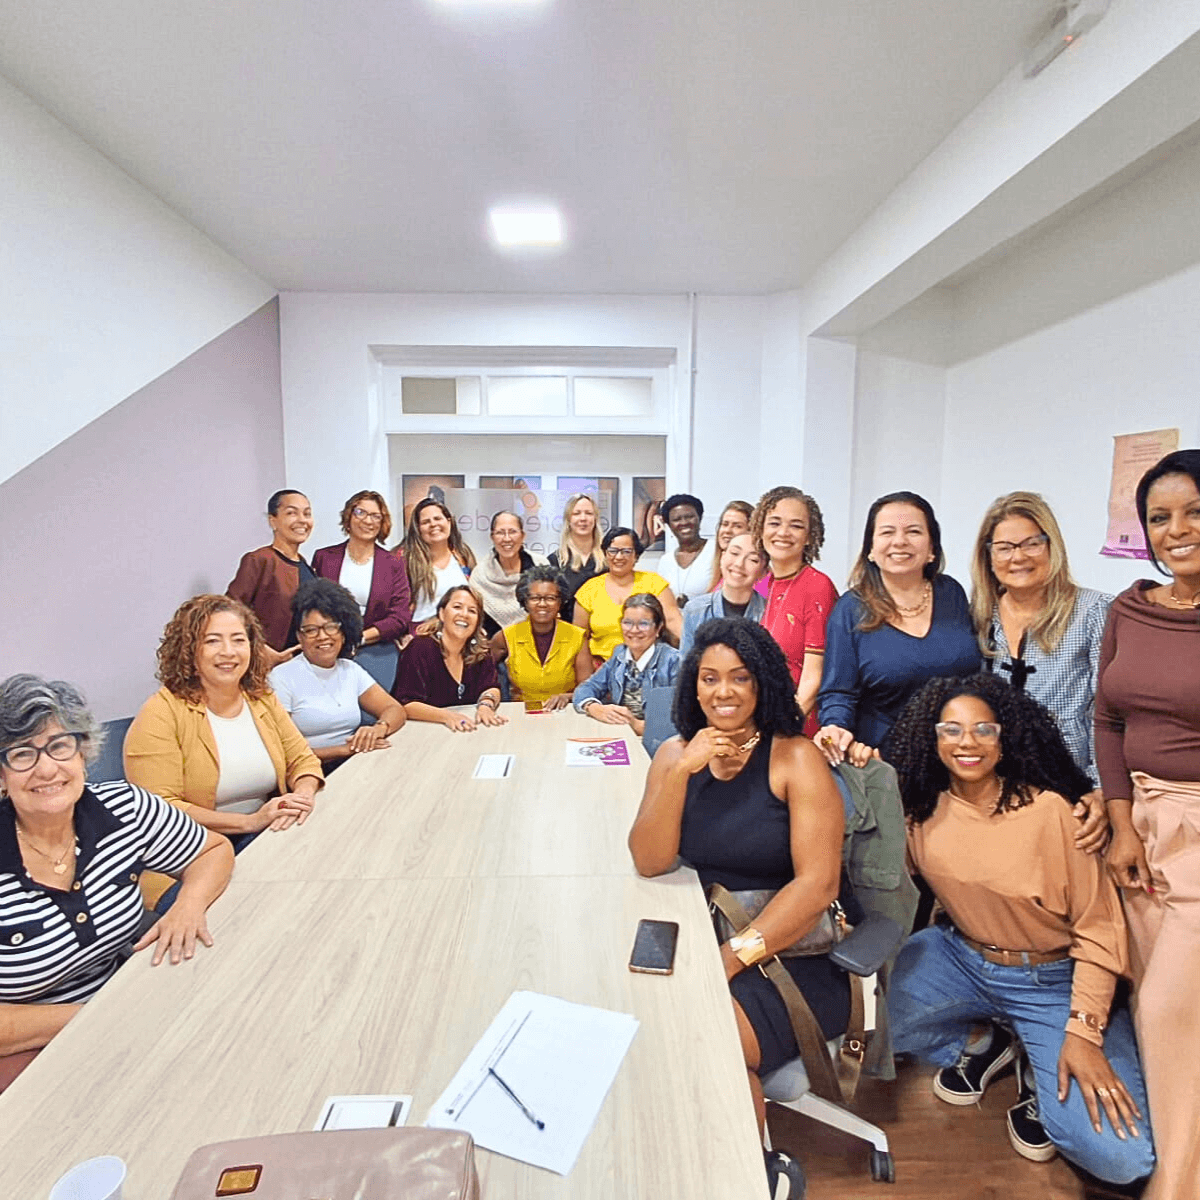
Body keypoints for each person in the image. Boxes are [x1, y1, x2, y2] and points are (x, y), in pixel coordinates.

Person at [886, 674, 1154, 1188]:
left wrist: (1082, 1033)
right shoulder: (919, 808)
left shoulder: (1054, 812)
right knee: (869, 1032)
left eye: (984, 730)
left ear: (1005, 737)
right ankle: (992, 1040)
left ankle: (1039, 1054)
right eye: (952, 730)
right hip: (960, 959)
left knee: (1123, 1160)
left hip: (1053, 980)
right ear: (932, 737)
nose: (967, 743)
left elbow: (1099, 929)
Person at [629, 620, 849, 1162]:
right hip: (702, 934)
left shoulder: (795, 758)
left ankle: (750, 1176)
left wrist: (730, 959)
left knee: (708, 1044)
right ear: (693, 686)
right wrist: (680, 772)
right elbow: (650, 861)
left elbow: (818, 885)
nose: (723, 692)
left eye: (739, 678)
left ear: (763, 684)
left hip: (790, 952)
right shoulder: (675, 754)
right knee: (644, 1027)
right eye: (709, 678)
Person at [0, 674, 234, 1093]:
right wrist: (104, 1014)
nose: (47, 768)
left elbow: (212, 851)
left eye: (59, 745)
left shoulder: (122, 807)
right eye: (21, 754)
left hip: (127, 1012)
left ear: (83, 751)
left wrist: (186, 905)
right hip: (32, 1057)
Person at [1095, 448, 1200, 1200]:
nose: (1177, 530)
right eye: (1159, 518)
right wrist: (1123, 822)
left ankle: (1172, 1185)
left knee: (1168, 1011)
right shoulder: (1128, 608)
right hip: (1136, 823)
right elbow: (1108, 717)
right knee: (1159, 1007)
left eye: (1195, 511)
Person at [124, 595, 323, 905]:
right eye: (213, 641)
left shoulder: (260, 698)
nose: (228, 652)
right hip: (188, 857)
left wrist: (302, 796)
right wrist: (249, 822)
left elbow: (303, 760)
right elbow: (160, 808)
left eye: (238, 640)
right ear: (189, 650)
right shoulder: (160, 713)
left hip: (264, 836)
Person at [970, 490, 1111, 851]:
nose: (1018, 557)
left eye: (1031, 543)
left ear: (1052, 545)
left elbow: (1109, 711)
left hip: (1073, 789)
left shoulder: (1094, 612)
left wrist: (1102, 788)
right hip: (996, 788)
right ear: (988, 555)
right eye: (1004, 547)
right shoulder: (978, 617)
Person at [816, 491, 980, 766]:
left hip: (957, 755)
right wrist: (836, 728)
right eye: (887, 532)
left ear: (932, 548)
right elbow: (838, 692)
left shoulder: (951, 592)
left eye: (913, 531)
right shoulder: (850, 609)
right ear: (870, 548)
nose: (900, 541)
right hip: (883, 760)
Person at [268, 579, 407, 769]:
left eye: (331, 627)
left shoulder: (350, 670)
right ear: (299, 637)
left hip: (353, 763)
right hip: (307, 770)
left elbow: (395, 709)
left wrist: (379, 728)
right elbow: (281, 749)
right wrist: (345, 750)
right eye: (311, 630)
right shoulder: (281, 677)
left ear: (343, 632)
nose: (323, 636)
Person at [752, 486, 839, 736]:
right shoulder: (762, 584)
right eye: (774, 523)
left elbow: (814, 676)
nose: (783, 533)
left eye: (796, 526)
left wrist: (782, 729)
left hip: (799, 726)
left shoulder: (817, 586)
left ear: (810, 536)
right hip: (764, 717)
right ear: (760, 529)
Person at [392, 586, 506, 732]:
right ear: (441, 613)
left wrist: (486, 705)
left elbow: (491, 686)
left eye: (472, 611)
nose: (464, 614)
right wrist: (447, 716)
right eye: (457, 607)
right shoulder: (420, 648)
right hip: (422, 731)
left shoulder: (481, 650)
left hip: (465, 730)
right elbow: (407, 704)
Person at [311, 490, 413, 647]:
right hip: (327, 643)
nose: (368, 521)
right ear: (348, 517)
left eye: (375, 516)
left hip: (376, 646)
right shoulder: (324, 558)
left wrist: (359, 638)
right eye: (360, 513)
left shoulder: (394, 563)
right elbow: (312, 605)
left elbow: (400, 617)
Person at [227, 489, 315, 664]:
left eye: (307, 513)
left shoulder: (306, 566)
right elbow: (231, 610)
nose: (302, 520)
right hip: (267, 664)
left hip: (302, 663)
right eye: (291, 513)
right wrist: (260, 649)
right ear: (273, 521)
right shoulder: (260, 560)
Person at [574, 594, 680, 736]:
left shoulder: (674, 661)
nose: (634, 630)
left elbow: (677, 722)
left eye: (643, 624)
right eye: (628, 623)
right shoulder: (620, 654)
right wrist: (594, 708)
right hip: (622, 734)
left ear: (658, 628)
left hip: (658, 743)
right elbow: (587, 688)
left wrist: (635, 724)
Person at [490, 565, 592, 711]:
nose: (542, 604)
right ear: (525, 601)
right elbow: (483, 675)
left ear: (560, 601)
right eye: (535, 598)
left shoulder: (577, 636)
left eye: (550, 598)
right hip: (521, 715)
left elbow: (588, 688)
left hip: (565, 713)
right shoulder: (506, 636)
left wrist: (567, 697)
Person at [573, 527, 682, 661]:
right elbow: (579, 640)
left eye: (626, 551)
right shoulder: (589, 590)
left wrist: (698, 650)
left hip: (649, 668)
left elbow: (673, 621)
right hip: (602, 670)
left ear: (636, 555)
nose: (619, 557)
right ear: (605, 554)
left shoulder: (654, 584)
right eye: (613, 551)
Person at [679, 532, 767, 659]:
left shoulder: (769, 612)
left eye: (753, 559)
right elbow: (686, 668)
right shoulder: (695, 610)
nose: (739, 564)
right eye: (734, 553)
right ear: (722, 557)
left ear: (763, 572)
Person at [397, 497, 477, 624]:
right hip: (422, 632)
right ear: (418, 529)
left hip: (460, 629)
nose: (433, 524)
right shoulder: (406, 561)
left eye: (438, 518)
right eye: (426, 522)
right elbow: (399, 607)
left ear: (449, 522)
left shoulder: (463, 555)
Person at [472, 511, 547, 637]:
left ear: (523, 535)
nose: (507, 539)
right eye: (500, 532)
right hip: (494, 649)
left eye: (512, 532)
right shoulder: (480, 575)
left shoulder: (541, 566)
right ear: (492, 537)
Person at [547, 492, 605, 606]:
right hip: (567, 623)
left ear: (595, 519)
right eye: (576, 513)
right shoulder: (555, 561)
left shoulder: (608, 559)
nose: (583, 518)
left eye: (588, 513)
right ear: (568, 519)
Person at [658, 493, 715, 607]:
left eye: (689, 517)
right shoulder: (666, 561)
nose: (684, 523)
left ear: (700, 518)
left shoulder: (716, 551)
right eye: (676, 519)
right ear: (669, 525)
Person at [706, 500, 755, 592]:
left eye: (737, 526)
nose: (727, 530)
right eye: (725, 524)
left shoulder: (755, 575)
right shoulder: (721, 572)